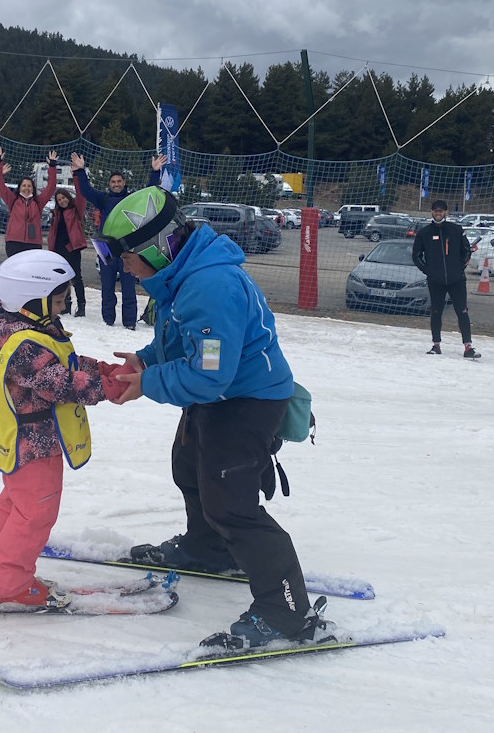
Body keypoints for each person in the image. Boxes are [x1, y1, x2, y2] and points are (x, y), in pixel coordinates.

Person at [100, 186, 332, 649]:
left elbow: (210, 376)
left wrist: (147, 384)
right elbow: (182, 343)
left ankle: (286, 612)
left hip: (246, 400)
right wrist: (146, 362)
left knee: (232, 502)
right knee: (188, 466)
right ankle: (208, 549)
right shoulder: (181, 275)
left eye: (122, 254)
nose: (118, 264)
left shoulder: (210, 285)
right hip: (221, 392)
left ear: (157, 247)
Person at [0, 250, 126, 606]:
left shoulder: (27, 330)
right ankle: (5, 585)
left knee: (13, 506)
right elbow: (59, 381)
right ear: (30, 301)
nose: (63, 305)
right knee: (35, 513)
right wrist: (107, 387)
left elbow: (62, 360)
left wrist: (100, 369)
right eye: (57, 299)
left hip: (27, 443)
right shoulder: (23, 346)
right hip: (35, 444)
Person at [70, 152, 164, 329]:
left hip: (128, 249)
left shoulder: (132, 199)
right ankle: (108, 320)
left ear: (124, 183)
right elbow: (86, 191)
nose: (116, 184)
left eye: (119, 181)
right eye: (113, 182)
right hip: (106, 248)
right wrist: (81, 171)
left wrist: (155, 172)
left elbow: (148, 192)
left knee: (129, 288)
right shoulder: (103, 199)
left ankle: (129, 322)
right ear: (109, 185)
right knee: (107, 287)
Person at [412, 199, 479, 358]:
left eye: (441, 211)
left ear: (446, 213)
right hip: (436, 281)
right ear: (431, 212)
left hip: (457, 280)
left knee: (462, 311)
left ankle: (468, 347)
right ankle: (436, 345)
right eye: (435, 210)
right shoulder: (424, 233)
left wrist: (460, 267)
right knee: (436, 312)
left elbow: (466, 251)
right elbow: (416, 256)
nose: (438, 213)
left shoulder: (456, 230)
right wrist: (428, 271)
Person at [0, 145, 57, 256]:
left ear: (33, 188)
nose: (26, 188)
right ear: (19, 187)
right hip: (14, 242)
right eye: (24, 186)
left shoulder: (38, 202)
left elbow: (51, 187)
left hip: (33, 243)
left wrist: (52, 166)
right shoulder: (12, 200)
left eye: (29, 186)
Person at [46, 186, 88, 316]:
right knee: (62, 279)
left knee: (76, 278)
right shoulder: (56, 214)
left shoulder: (76, 210)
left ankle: (81, 305)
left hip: (72, 249)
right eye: (59, 199)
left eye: (63, 198)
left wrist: (77, 174)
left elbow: (81, 195)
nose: (62, 201)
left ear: (68, 197)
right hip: (58, 250)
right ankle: (65, 304)